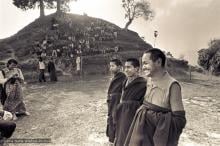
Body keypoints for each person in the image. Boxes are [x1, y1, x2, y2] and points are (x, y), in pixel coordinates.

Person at [124, 48, 186, 146]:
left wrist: (152, 117)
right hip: (141, 134)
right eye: (142, 64)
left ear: (158, 62)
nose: (143, 67)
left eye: (146, 63)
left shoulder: (172, 85)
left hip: (157, 139)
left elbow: (179, 121)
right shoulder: (148, 80)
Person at [114, 58, 147, 146]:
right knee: (120, 137)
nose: (126, 70)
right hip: (122, 115)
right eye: (125, 67)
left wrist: (127, 105)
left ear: (136, 69)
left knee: (131, 140)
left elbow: (144, 104)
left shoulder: (143, 84)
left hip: (133, 117)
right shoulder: (125, 82)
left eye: (129, 67)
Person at [106, 59, 126, 145]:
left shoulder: (122, 77)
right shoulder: (115, 77)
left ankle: (114, 141)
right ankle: (112, 140)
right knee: (111, 120)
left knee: (114, 120)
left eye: (112, 66)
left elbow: (119, 92)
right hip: (112, 102)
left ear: (119, 67)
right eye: (110, 66)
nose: (110, 68)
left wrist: (111, 98)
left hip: (116, 103)